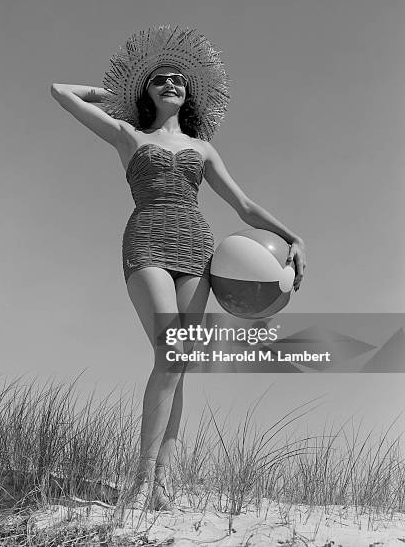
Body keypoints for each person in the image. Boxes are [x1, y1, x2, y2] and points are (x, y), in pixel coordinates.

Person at [51, 25, 306, 511]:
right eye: (160, 79)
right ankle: (141, 479)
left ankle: (163, 483)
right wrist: (111, 93)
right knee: (171, 353)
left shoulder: (203, 149)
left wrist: (292, 236)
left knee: (180, 364)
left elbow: (244, 204)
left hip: (196, 249)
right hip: (146, 241)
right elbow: (60, 94)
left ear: (189, 96)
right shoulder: (128, 136)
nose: (172, 84)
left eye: (179, 81)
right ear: (147, 92)